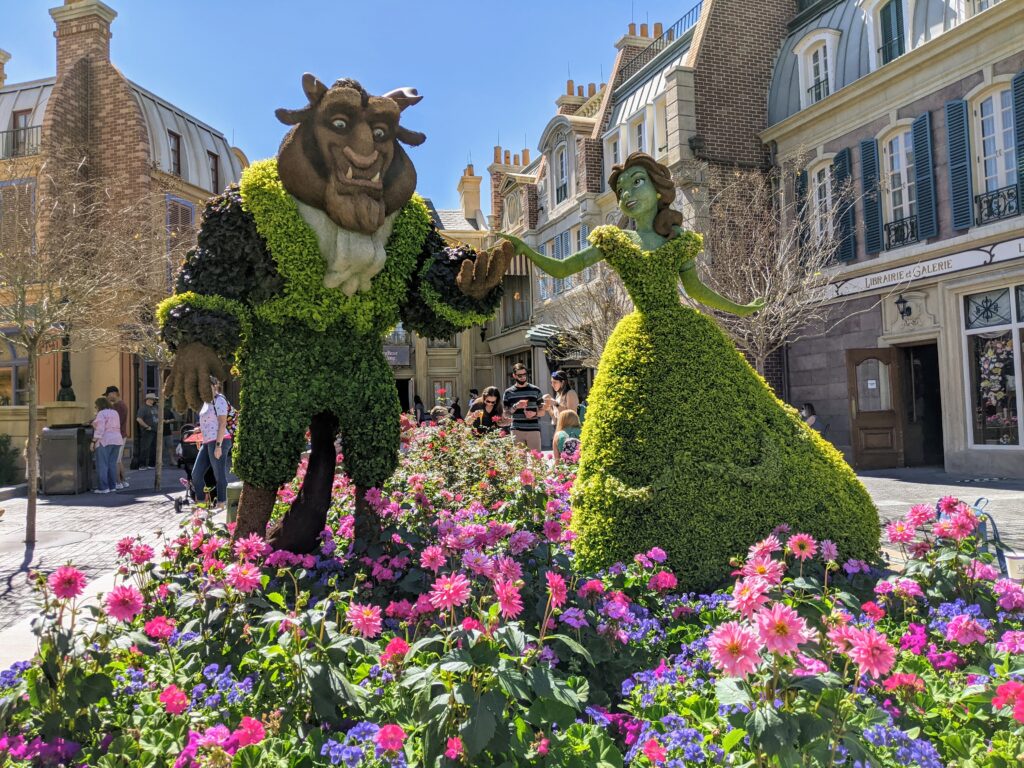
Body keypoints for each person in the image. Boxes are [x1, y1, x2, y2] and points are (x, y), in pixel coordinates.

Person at [192, 375, 231, 512]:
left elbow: (222, 423)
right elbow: (209, 422)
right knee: (196, 474)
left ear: (214, 386)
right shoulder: (206, 402)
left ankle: (221, 503)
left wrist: (218, 446)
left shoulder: (219, 400)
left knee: (219, 474)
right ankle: (202, 503)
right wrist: (200, 432)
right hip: (207, 441)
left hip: (220, 440)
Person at [502, 363, 543, 451]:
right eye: (520, 375)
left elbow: (543, 411)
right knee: (519, 463)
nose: (523, 377)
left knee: (536, 462)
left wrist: (534, 413)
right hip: (517, 430)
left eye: (525, 374)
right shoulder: (508, 392)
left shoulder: (536, 390)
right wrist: (515, 406)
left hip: (533, 429)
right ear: (514, 375)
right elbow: (506, 414)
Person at [91, 396, 123, 494]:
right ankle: (112, 486)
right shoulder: (115, 412)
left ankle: (103, 487)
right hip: (117, 440)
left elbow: (100, 429)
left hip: (105, 440)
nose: (96, 408)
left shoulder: (101, 413)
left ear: (99, 405)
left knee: (102, 465)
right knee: (112, 464)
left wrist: (93, 441)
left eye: (96, 406)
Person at [104, 386, 129, 489]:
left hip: (118, 435)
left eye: (108, 395)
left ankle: (118, 482)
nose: (107, 397)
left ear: (114, 393)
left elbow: (114, 422)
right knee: (119, 460)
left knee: (115, 460)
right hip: (121, 435)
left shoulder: (118, 406)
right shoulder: (121, 405)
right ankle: (123, 481)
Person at [136, 392, 159, 469]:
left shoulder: (155, 407)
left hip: (155, 430)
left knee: (154, 448)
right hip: (147, 431)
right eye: (152, 399)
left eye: (154, 399)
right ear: (148, 399)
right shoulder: (143, 408)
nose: (153, 401)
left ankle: (151, 464)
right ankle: (142, 465)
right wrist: (146, 426)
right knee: (145, 448)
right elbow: (139, 419)